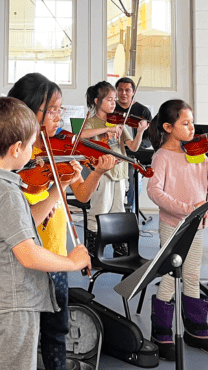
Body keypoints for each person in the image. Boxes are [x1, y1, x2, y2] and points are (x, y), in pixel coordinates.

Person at [0, 96, 91, 370]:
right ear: (16, 148)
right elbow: (28, 254)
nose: (35, 150)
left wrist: (59, 188)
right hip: (12, 305)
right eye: (33, 144)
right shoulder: (7, 193)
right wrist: (72, 262)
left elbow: (22, 224)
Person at [7, 72, 115, 370]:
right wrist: (58, 188)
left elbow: (80, 194)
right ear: (30, 111)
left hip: (56, 254)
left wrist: (96, 172)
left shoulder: (62, 150)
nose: (59, 116)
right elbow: (24, 218)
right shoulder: (16, 156)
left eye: (60, 109)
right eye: (53, 109)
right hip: (25, 261)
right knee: (25, 333)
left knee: (58, 327)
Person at [147, 99, 208, 360]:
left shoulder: (197, 154)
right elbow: (154, 191)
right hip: (173, 227)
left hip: (197, 226)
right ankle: (161, 332)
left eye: (192, 122)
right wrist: (187, 208)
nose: (192, 128)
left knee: (192, 276)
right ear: (168, 127)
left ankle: (196, 330)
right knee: (170, 277)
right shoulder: (162, 157)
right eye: (185, 123)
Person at [81, 81, 147, 257]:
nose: (114, 103)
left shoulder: (120, 122)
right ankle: (93, 252)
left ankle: (119, 249)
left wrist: (139, 132)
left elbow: (132, 147)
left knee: (118, 211)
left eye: (114, 100)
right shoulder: (92, 122)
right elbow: (80, 137)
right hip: (102, 173)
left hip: (120, 173)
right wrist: (107, 128)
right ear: (97, 101)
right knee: (99, 210)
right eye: (109, 100)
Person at [114, 77, 152, 215]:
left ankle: (130, 212)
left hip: (134, 154)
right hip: (115, 153)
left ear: (133, 92)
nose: (123, 93)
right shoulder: (111, 108)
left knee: (136, 179)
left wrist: (137, 142)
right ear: (116, 91)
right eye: (120, 90)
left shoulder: (143, 111)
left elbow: (150, 138)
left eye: (127, 90)